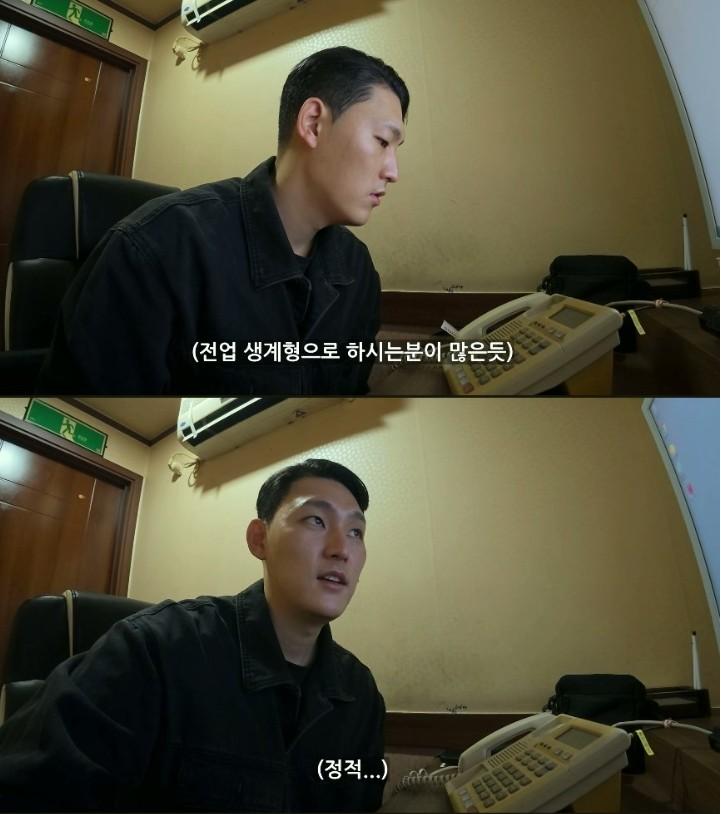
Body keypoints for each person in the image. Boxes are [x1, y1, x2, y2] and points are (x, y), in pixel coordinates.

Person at [0, 459, 386, 812]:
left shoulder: (361, 693)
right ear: (259, 539)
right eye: (316, 521)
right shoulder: (154, 649)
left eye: (356, 532)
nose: (342, 549)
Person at [37, 47, 409, 395]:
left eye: (396, 149)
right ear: (313, 124)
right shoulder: (154, 250)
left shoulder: (358, 271)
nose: (393, 172)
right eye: (382, 141)